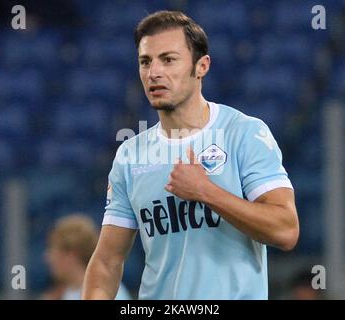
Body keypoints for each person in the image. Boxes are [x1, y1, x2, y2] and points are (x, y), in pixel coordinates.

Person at [82, 11, 299, 300]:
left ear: (201, 66)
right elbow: (108, 262)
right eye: (145, 62)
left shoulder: (244, 133)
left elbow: (286, 230)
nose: (154, 72)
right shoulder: (130, 156)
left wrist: (207, 192)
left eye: (168, 60)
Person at [43, 214, 132, 300]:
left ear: (71, 254)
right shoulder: (70, 292)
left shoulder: (109, 292)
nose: (47, 258)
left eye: (53, 250)